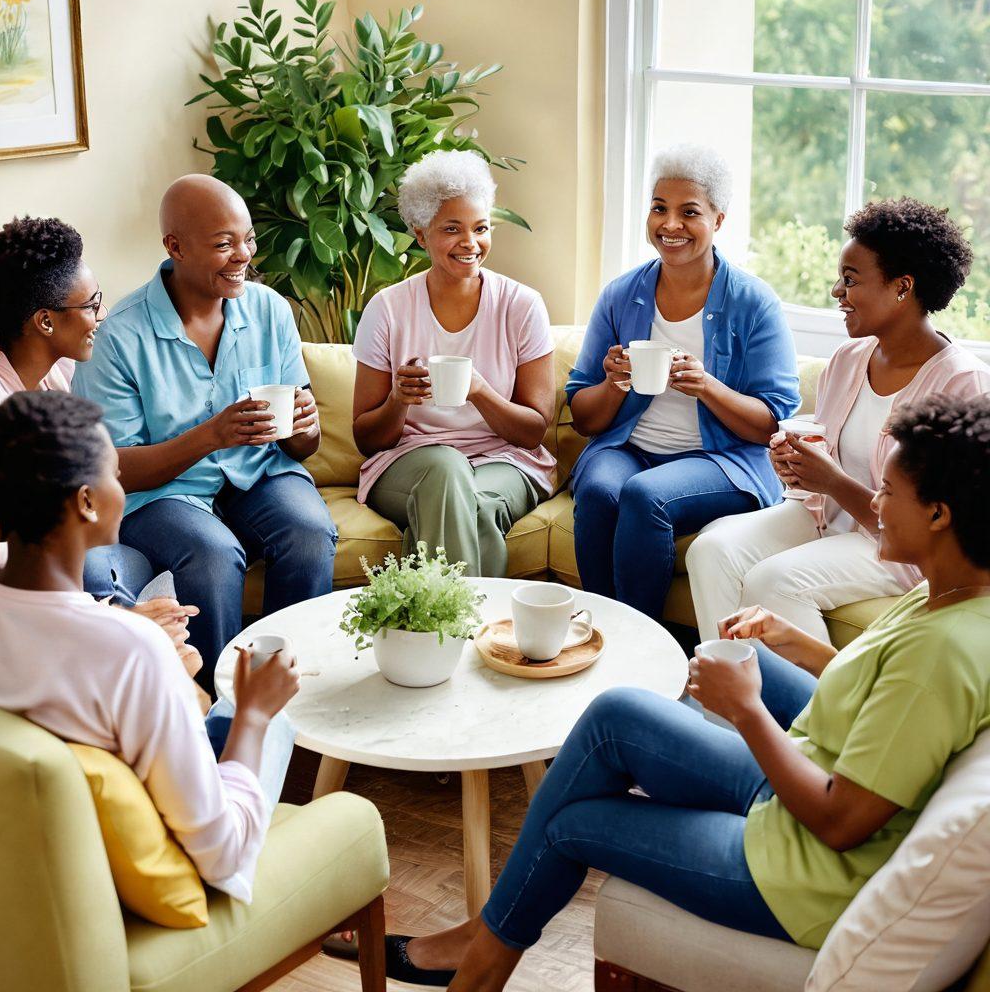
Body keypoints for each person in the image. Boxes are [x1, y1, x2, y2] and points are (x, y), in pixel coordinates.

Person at [378, 390, 990, 990]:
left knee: (571, 825)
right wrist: (799, 646)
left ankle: (478, 966)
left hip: (800, 874)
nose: (873, 502)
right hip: (808, 785)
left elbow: (840, 822)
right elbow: (880, 699)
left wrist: (746, 711)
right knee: (618, 714)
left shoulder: (941, 654)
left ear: (939, 515)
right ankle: (480, 944)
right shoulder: (947, 594)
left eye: (889, 492)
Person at [0, 390, 299, 899]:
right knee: (260, 716)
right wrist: (254, 714)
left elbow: (46, 640)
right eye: (114, 473)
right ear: (86, 501)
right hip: (141, 883)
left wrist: (122, 626)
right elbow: (222, 854)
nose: (121, 483)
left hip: (16, 863)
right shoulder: (130, 651)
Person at [72, 175, 337, 692]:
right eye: (223, 244)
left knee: (308, 532)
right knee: (212, 554)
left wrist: (305, 425)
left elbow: (302, 447)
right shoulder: (119, 336)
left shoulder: (269, 309)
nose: (244, 255)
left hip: (260, 473)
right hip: (163, 495)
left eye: (248, 239)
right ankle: (217, 708)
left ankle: (293, 688)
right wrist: (211, 436)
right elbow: (113, 469)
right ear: (175, 247)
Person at [688, 198, 990, 646]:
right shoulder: (847, 360)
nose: (836, 292)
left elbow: (942, 523)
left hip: (899, 546)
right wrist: (793, 466)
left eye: (850, 280)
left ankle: (815, 694)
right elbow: (821, 472)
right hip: (825, 516)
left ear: (903, 287)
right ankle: (729, 682)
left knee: (775, 581)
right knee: (710, 551)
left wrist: (831, 481)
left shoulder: (964, 384)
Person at [566, 144, 799, 620]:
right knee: (598, 491)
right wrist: (612, 384)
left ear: (718, 220)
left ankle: (643, 642)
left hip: (722, 461)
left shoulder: (754, 303)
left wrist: (707, 386)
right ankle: (600, 631)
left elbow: (772, 425)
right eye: (659, 209)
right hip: (629, 448)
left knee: (644, 495)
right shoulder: (621, 295)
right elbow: (584, 418)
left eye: (689, 212)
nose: (670, 225)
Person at [0, 217, 199, 672]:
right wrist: (111, 619)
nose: (103, 314)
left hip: (54, 557)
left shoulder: (59, 371)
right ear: (46, 321)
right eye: (91, 305)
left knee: (159, 568)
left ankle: (174, 673)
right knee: (101, 578)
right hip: (0, 593)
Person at [351, 149, 555, 577]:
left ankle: (436, 614)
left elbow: (533, 430)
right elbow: (367, 440)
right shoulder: (387, 309)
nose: (470, 243)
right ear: (420, 234)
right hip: (411, 461)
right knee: (446, 471)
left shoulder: (522, 305)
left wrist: (479, 391)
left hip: (505, 461)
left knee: (471, 508)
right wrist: (398, 400)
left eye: (481, 228)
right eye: (451, 229)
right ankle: (480, 618)